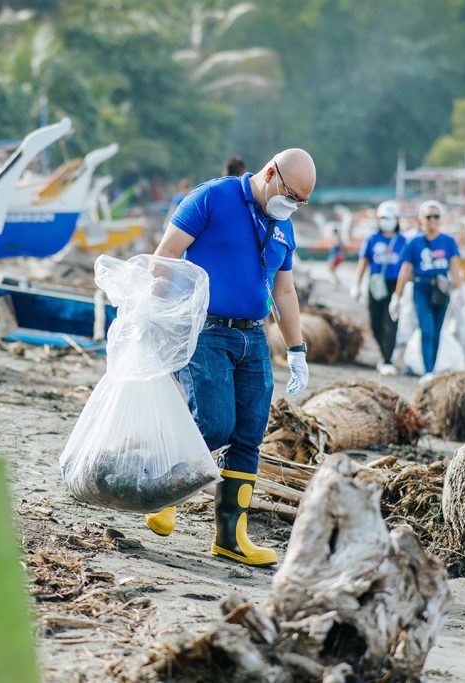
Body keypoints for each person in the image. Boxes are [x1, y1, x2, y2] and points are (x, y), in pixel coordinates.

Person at [147, 148, 316, 566]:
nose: (292, 205)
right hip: (205, 329)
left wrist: (297, 350)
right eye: (290, 194)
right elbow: (166, 254)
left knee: (248, 434)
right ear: (271, 173)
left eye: (301, 202)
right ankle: (163, 492)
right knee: (215, 422)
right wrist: (152, 316)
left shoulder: (283, 226)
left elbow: (284, 291)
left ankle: (230, 537)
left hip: (253, 339)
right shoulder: (213, 197)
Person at [390, 200, 463, 384]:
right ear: (421, 219)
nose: (432, 220)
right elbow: (405, 271)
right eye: (428, 216)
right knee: (427, 329)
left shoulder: (448, 241)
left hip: (442, 289)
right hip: (421, 288)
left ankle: (432, 367)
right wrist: (396, 297)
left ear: (440, 219)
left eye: (436, 216)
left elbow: (454, 268)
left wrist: (458, 291)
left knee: (438, 331)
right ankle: (428, 371)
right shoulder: (414, 243)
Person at [352, 200, 406, 375]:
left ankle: (388, 359)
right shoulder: (372, 239)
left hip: (395, 285)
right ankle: (385, 353)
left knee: (391, 323)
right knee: (375, 323)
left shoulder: (404, 241)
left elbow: (408, 267)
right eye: (383, 217)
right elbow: (363, 262)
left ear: (397, 219)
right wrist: (357, 285)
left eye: (390, 217)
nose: (386, 221)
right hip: (376, 283)